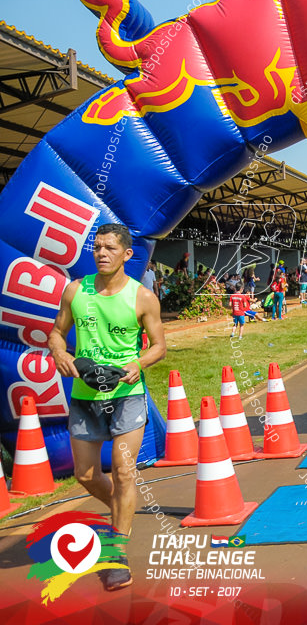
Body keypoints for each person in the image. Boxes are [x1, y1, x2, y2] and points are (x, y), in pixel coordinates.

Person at [48, 223, 167, 591]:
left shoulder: (142, 297)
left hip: (127, 395)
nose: (101, 253)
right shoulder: (75, 291)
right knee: (85, 475)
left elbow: (159, 346)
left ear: (127, 254)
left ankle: (116, 552)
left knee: (124, 472)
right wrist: (59, 353)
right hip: (85, 396)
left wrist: (139, 364)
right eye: (97, 247)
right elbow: (55, 332)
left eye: (110, 248)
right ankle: (122, 510)